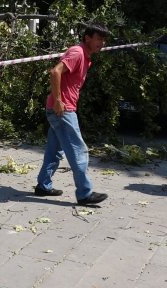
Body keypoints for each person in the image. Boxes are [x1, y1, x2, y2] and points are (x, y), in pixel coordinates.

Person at [34, 23, 110, 206]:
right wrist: (59, 101)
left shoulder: (85, 55)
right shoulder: (77, 52)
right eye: (99, 38)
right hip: (63, 110)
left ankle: (43, 186)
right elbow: (55, 72)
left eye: (104, 39)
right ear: (87, 38)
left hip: (59, 108)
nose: (102, 42)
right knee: (78, 150)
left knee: (54, 151)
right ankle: (85, 193)